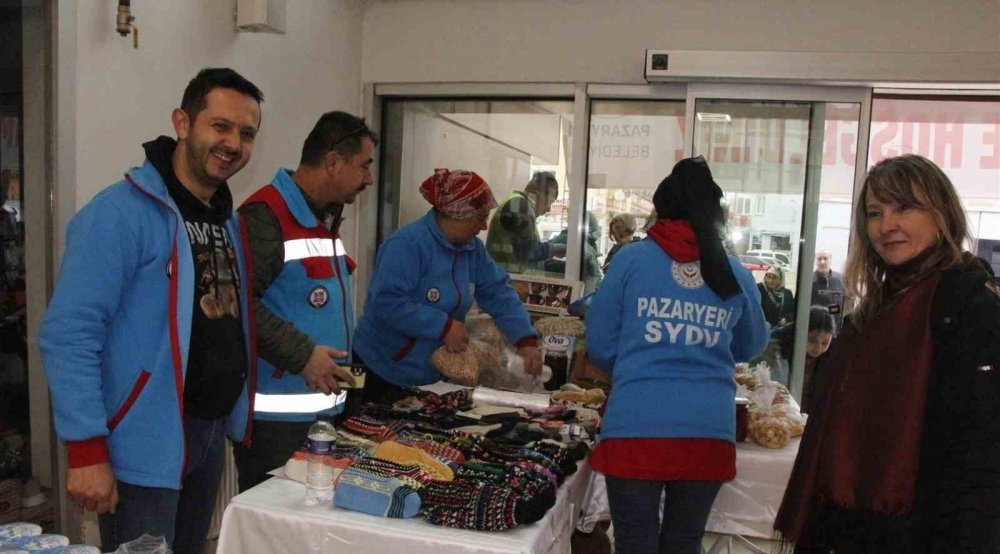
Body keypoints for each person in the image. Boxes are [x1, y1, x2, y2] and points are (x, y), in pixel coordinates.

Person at [39, 68, 263, 553]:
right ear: (183, 123)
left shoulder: (225, 221)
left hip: (205, 436)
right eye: (220, 126)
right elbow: (69, 333)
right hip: (139, 443)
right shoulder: (118, 214)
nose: (233, 143)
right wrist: (86, 449)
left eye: (246, 134)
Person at [774, 154, 1000, 553]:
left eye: (904, 207)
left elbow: (980, 459)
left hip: (921, 534)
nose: (886, 225)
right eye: (875, 213)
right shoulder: (872, 312)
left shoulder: (971, 309)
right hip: (845, 527)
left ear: (942, 213)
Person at [586, 157, 769, 554]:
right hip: (707, 430)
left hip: (635, 425)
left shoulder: (629, 261)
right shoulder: (733, 271)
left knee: (635, 544)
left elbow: (599, 343)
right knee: (684, 543)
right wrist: (703, 348)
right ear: (714, 212)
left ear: (661, 207)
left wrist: (640, 366)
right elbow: (751, 346)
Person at [233, 111, 376, 492]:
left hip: (324, 413)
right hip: (275, 426)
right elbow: (238, 304)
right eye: (363, 166)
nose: (369, 178)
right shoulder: (266, 216)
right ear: (332, 162)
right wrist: (302, 355)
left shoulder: (323, 219)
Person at [354, 168, 542, 401]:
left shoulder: (473, 250)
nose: (484, 226)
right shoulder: (407, 245)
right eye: (480, 217)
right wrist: (443, 327)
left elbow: (499, 293)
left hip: (432, 377)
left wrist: (525, 340)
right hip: (381, 370)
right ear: (457, 214)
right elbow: (386, 303)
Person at [485, 171, 566, 274]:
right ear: (539, 194)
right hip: (507, 283)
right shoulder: (519, 206)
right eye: (550, 201)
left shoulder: (520, 205)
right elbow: (530, 251)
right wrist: (557, 250)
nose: (548, 209)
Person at [767, 305, 835, 411]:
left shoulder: (832, 356)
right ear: (800, 333)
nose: (818, 348)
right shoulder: (777, 348)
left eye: (825, 343)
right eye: (812, 340)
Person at [810, 249, 845, 329]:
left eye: (825, 258)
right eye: (819, 259)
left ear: (830, 260)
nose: (822, 262)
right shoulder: (808, 280)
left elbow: (843, 302)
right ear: (815, 261)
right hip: (816, 328)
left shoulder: (840, 279)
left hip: (836, 327)